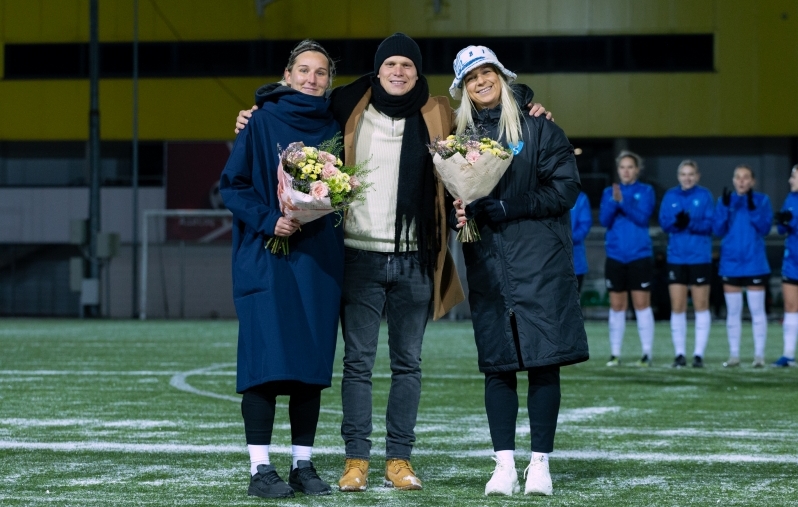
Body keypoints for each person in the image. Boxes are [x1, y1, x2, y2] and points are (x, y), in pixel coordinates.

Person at [234, 34, 552, 492]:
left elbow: (488, 108)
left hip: (416, 255)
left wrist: (533, 107)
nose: (398, 72)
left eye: (407, 65)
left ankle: (399, 459)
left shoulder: (438, 111)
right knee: (357, 365)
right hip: (357, 254)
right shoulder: (348, 103)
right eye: (390, 64)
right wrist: (253, 111)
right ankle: (356, 459)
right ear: (377, 70)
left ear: (417, 73)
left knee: (408, 364)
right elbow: (296, 101)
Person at [450, 45, 589, 497]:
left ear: (502, 77)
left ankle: (541, 465)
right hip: (489, 262)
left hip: (539, 262)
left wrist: (509, 205)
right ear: (464, 89)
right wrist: (458, 211)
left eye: (487, 72)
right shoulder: (458, 140)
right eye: (472, 78)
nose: (481, 82)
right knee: (499, 365)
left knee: (544, 363)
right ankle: (504, 465)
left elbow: (566, 190)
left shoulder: (540, 128)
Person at [219, 41, 343, 499]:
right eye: (304, 71)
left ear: (330, 80)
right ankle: (259, 470)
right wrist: (273, 219)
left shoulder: (335, 125)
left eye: (321, 73)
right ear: (287, 75)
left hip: (319, 260)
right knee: (265, 365)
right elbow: (230, 187)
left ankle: (303, 466)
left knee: (309, 367)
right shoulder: (260, 121)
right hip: (268, 257)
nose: (313, 79)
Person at [712, 164, 773, 368]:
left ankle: (759, 356)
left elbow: (764, 228)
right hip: (730, 263)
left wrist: (753, 209)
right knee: (733, 311)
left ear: (752, 181)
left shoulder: (762, 200)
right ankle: (734, 356)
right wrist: (726, 209)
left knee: (757, 311)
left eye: (746, 177)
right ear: (733, 180)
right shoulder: (724, 201)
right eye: (738, 177)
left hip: (754, 262)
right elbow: (718, 229)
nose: (741, 181)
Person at [599, 151, 656, 367]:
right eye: (622, 167)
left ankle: (646, 354)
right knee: (617, 306)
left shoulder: (646, 191)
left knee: (642, 305)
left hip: (639, 255)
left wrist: (622, 202)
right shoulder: (609, 192)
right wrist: (615, 202)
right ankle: (615, 354)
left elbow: (642, 218)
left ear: (637, 170)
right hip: (615, 256)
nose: (626, 171)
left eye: (630, 167)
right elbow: (604, 220)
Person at [658, 160, 714, 368]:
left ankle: (698, 354)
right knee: (678, 306)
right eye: (683, 174)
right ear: (678, 176)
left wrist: (690, 223)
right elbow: (664, 223)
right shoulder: (670, 196)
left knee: (701, 306)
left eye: (691, 174)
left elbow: (711, 225)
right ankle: (680, 354)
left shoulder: (705, 195)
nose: (687, 178)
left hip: (699, 258)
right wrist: (676, 223)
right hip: (676, 257)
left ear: (697, 176)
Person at [772, 164, 798, 367]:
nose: (790, 180)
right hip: (792, 261)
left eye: (794, 177)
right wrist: (783, 222)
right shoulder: (790, 198)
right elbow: (782, 230)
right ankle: (788, 354)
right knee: (790, 307)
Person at [571, 191, 592, 292]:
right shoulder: (546, 194)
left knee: (572, 303)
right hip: (550, 263)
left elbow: (584, 225)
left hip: (575, 262)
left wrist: (566, 238)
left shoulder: (580, 198)